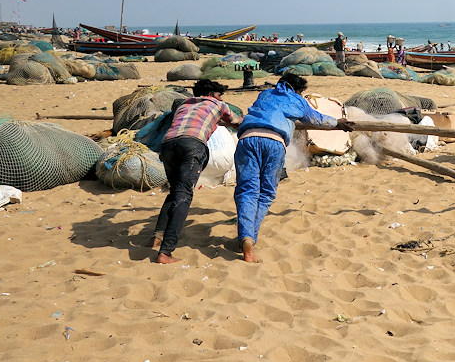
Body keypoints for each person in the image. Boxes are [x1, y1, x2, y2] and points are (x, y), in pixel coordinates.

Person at [233, 74, 354, 262]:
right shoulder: (297, 100)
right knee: (266, 192)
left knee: (247, 190)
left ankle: (246, 236)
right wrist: (338, 123)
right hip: (274, 142)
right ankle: (249, 238)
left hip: (247, 139)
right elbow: (316, 119)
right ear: (297, 90)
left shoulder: (265, 94)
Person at [151, 79, 242, 264]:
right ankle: (165, 252)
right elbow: (236, 122)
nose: (221, 98)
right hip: (192, 145)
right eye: (219, 94)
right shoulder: (218, 104)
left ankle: (157, 237)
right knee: (184, 195)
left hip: (168, 145)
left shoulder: (184, 104)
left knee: (174, 191)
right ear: (211, 94)